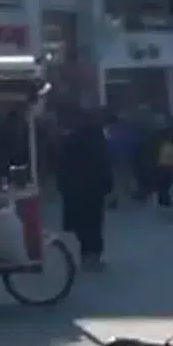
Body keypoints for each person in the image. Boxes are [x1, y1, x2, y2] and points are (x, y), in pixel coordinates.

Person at [56, 106, 113, 271]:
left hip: (74, 189)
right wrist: (108, 186)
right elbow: (103, 163)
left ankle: (87, 254)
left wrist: (63, 186)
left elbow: (61, 165)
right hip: (93, 188)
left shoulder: (69, 140)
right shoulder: (96, 138)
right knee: (94, 222)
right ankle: (93, 256)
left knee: (81, 223)